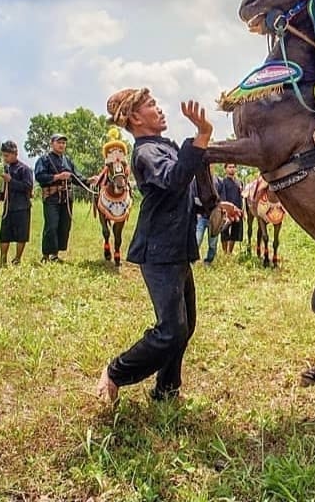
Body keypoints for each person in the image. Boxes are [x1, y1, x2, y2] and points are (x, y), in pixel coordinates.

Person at [95, 87, 220, 404]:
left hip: (175, 250)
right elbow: (174, 179)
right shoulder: (146, 152)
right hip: (159, 251)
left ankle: (166, 390)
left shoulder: (163, 148)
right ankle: (115, 373)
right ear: (135, 117)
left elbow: (180, 193)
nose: (159, 109)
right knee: (170, 331)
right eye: (151, 105)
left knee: (184, 326)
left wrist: (211, 209)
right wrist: (202, 135)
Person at [33, 133, 89, 262]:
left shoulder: (67, 160)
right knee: (51, 225)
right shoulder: (44, 159)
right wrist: (57, 177)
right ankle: (46, 255)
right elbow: (39, 176)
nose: (62, 145)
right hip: (51, 197)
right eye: (59, 142)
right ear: (52, 143)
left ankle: (55, 254)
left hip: (66, 198)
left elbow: (76, 177)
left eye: (64, 143)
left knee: (64, 226)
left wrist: (89, 181)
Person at [0, 140, 34, 266]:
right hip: (9, 207)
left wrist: (11, 180)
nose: (5, 158)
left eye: (7, 155)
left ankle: (17, 258)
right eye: (4, 155)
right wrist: (0, 196)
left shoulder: (25, 169)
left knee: (21, 235)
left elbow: (27, 187)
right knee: (4, 234)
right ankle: (2, 259)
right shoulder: (6, 169)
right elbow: (6, 187)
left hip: (22, 207)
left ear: (15, 154)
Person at [192, 172, 221, 265]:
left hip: (214, 216)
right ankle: (192, 260)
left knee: (213, 242)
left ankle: (209, 260)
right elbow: (193, 197)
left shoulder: (218, 181)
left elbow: (222, 198)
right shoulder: (195, 181)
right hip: (201, 215)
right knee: (197, 239)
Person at [217, 163, 244, 255]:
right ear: (225, 169)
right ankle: (224, 252)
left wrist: (242, 210)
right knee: (224, 231)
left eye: (233, 167)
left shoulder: (239, 182)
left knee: (235, 231)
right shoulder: (223, 182)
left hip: (237, 210)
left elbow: (241, 197)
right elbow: (222, 196)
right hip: (227, 211)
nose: (232, 169)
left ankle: (230, 252)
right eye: (229, 167)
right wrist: (225, 210)